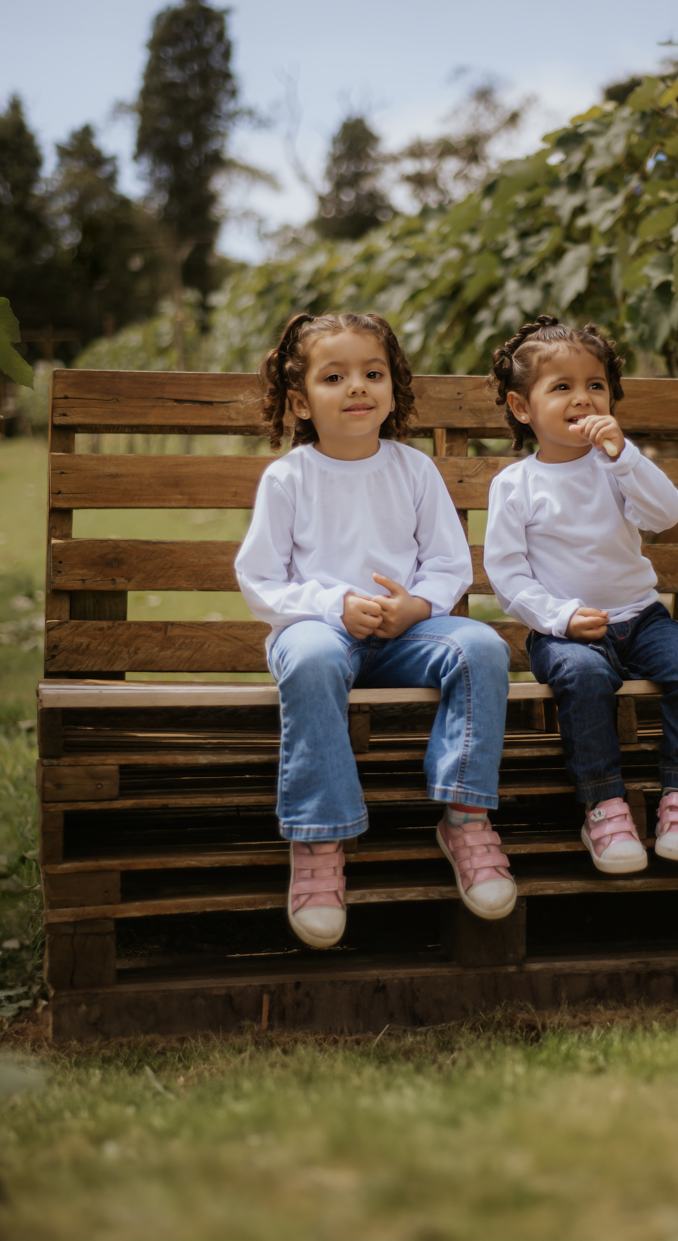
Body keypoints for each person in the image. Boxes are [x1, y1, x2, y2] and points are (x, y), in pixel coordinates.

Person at [236, 312, 515, 949]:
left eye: (373, 373)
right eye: (335, 376)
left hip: (406, 635)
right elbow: (261, 581)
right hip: (317, 633)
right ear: (302, 402)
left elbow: (448, 563)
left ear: (393, 389)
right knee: (308, 659)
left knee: (481, 646)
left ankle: (467, 819)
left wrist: (417, 606)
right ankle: (319, 843)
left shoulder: (413, 471)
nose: (358, 386)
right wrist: (334, 605)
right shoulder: (289, 477)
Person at [483, 315, 678, 875]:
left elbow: (666, 513)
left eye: (595, 385)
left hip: (641, 618)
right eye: (561, 387)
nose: (582, 398)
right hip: (564, 631)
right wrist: (561, 617)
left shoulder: (617, 467)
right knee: (586, 679)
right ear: (523, 408)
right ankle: (605, 806)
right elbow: (508, 576)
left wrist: (625, 456)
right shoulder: (515, 485)